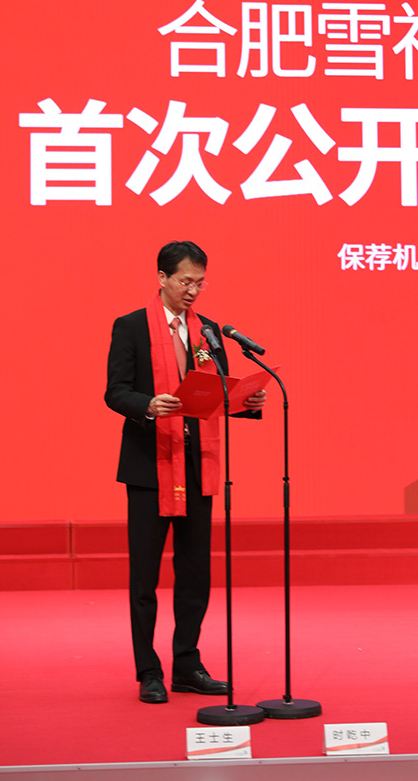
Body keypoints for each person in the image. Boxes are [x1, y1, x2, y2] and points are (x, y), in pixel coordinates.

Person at [105, 240, 266, 703]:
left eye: (200, 282)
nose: (193, 290)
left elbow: (217, 393)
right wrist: (147, 405)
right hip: (149, 467)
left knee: (195, 573)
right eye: (185, 281)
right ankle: (148, 670)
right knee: (145, 577)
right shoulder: (131, 327)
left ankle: (187, 664)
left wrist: (247, 402)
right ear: (162, 278)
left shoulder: (209, 332)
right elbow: (115, 391)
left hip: (198, 466)